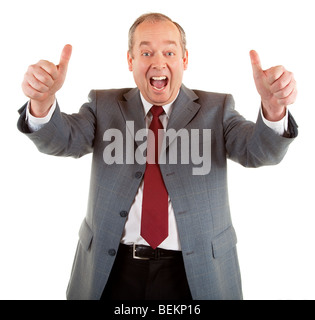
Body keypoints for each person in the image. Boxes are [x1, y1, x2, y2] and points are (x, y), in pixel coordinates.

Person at [18, 13, 298, 300]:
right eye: (146, 52)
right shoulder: (103, 105)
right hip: (114, 269)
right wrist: (42, 101)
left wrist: (273, 108)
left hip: (195, 272)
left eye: (169, 51)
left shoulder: (217, 108)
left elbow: (258, 152)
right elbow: (60, 140)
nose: (158, 62)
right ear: (131, 61)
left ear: (184, 59)